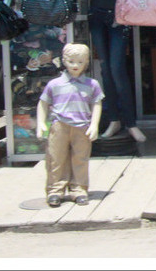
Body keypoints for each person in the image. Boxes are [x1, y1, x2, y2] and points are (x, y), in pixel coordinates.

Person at [88, 0, 147, 143]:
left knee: (117, 68)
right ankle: (113, 119)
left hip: (122, 14)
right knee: (105, 69)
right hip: (99, 9)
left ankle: (130, 122)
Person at [36, 43, 104, 207]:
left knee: (80, 158)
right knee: (56, 158)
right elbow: (43, 103)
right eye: (72, 61)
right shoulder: (55, 84)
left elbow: (97, 104)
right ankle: (55, 190)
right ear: (65, 61)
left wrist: (94, 125)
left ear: (86, 62)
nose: (76, 66)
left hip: (82, 126)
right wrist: (40, 123)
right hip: (60, 124)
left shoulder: (92, 84)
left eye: (80, 62)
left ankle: (79, 189)